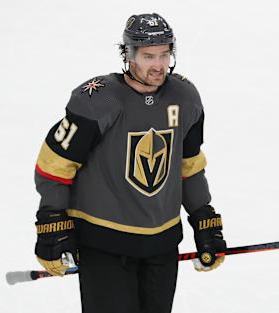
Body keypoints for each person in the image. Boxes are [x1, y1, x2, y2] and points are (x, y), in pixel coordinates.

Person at [33, 13, 227, 313]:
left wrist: (204, 218)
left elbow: (189, 166)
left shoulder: (185, 98)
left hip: (161, 245)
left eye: (165, 54)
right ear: (128, 55)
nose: (159, 65)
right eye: (149, 56)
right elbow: (55, 166)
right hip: (104, 245)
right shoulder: (98, 101)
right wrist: (51, 222)